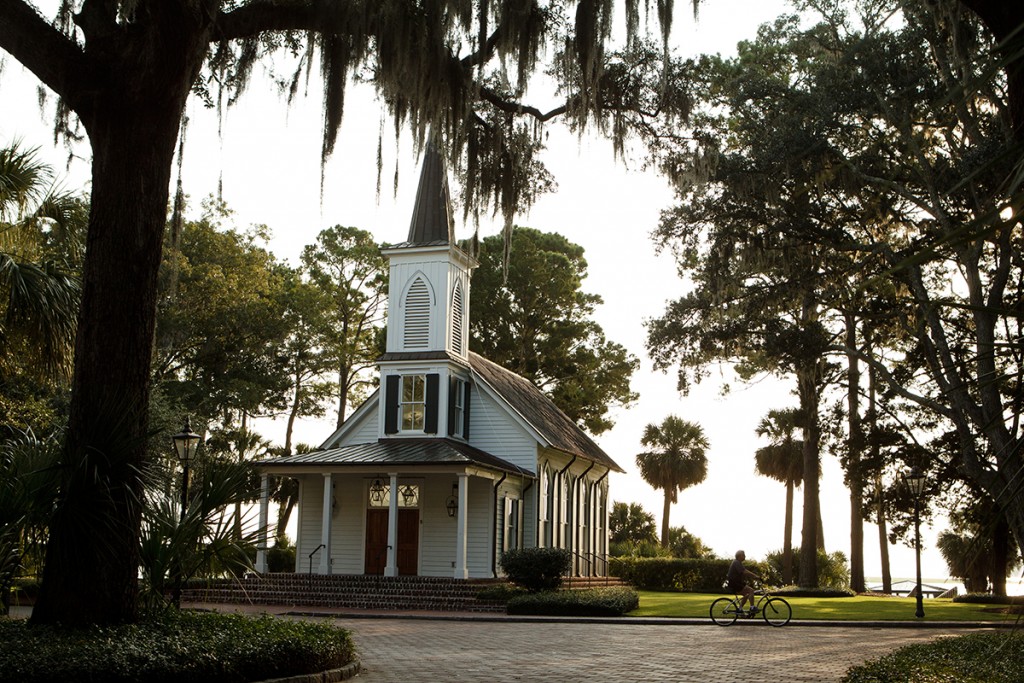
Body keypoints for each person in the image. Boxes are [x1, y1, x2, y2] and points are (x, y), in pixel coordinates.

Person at [727, 550, 760, 615]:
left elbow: (745, 571)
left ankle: (740, 609)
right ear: (739, 556)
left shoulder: (738, 563)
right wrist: (755, 576)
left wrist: (754, 576)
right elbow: (744, 572)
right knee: (751, 591)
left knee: (747, 594)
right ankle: (752, 607)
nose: (745, 556)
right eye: (743, 555)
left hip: (737, 583)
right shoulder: (736, 562)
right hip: (735, 583)